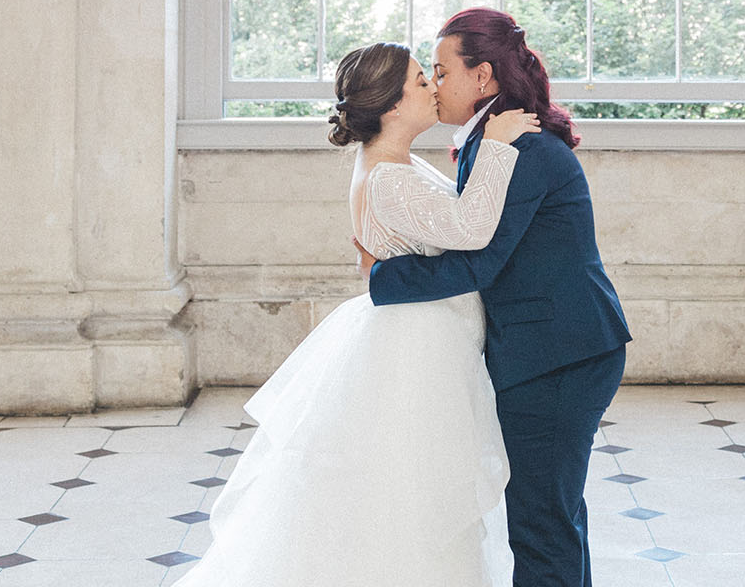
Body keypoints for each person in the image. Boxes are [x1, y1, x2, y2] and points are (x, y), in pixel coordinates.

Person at [178, 41, 541, 586]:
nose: (435, 88)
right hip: (415, 346)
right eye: (423, 81)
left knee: (411, 491)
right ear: (392, 107)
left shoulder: (395, 162)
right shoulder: (388, 177)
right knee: (409, 498)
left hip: (422, 332)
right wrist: (494, 145)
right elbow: (470, 230)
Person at [359, 8, 632, 587]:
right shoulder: (491, 142)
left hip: (559, 354)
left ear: (481, 77)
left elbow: (480, 260)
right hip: (546, 348)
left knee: (540, 523)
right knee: (553, 514)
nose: (434, 85)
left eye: (439, 70)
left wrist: (383, 277)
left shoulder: (521, 150)